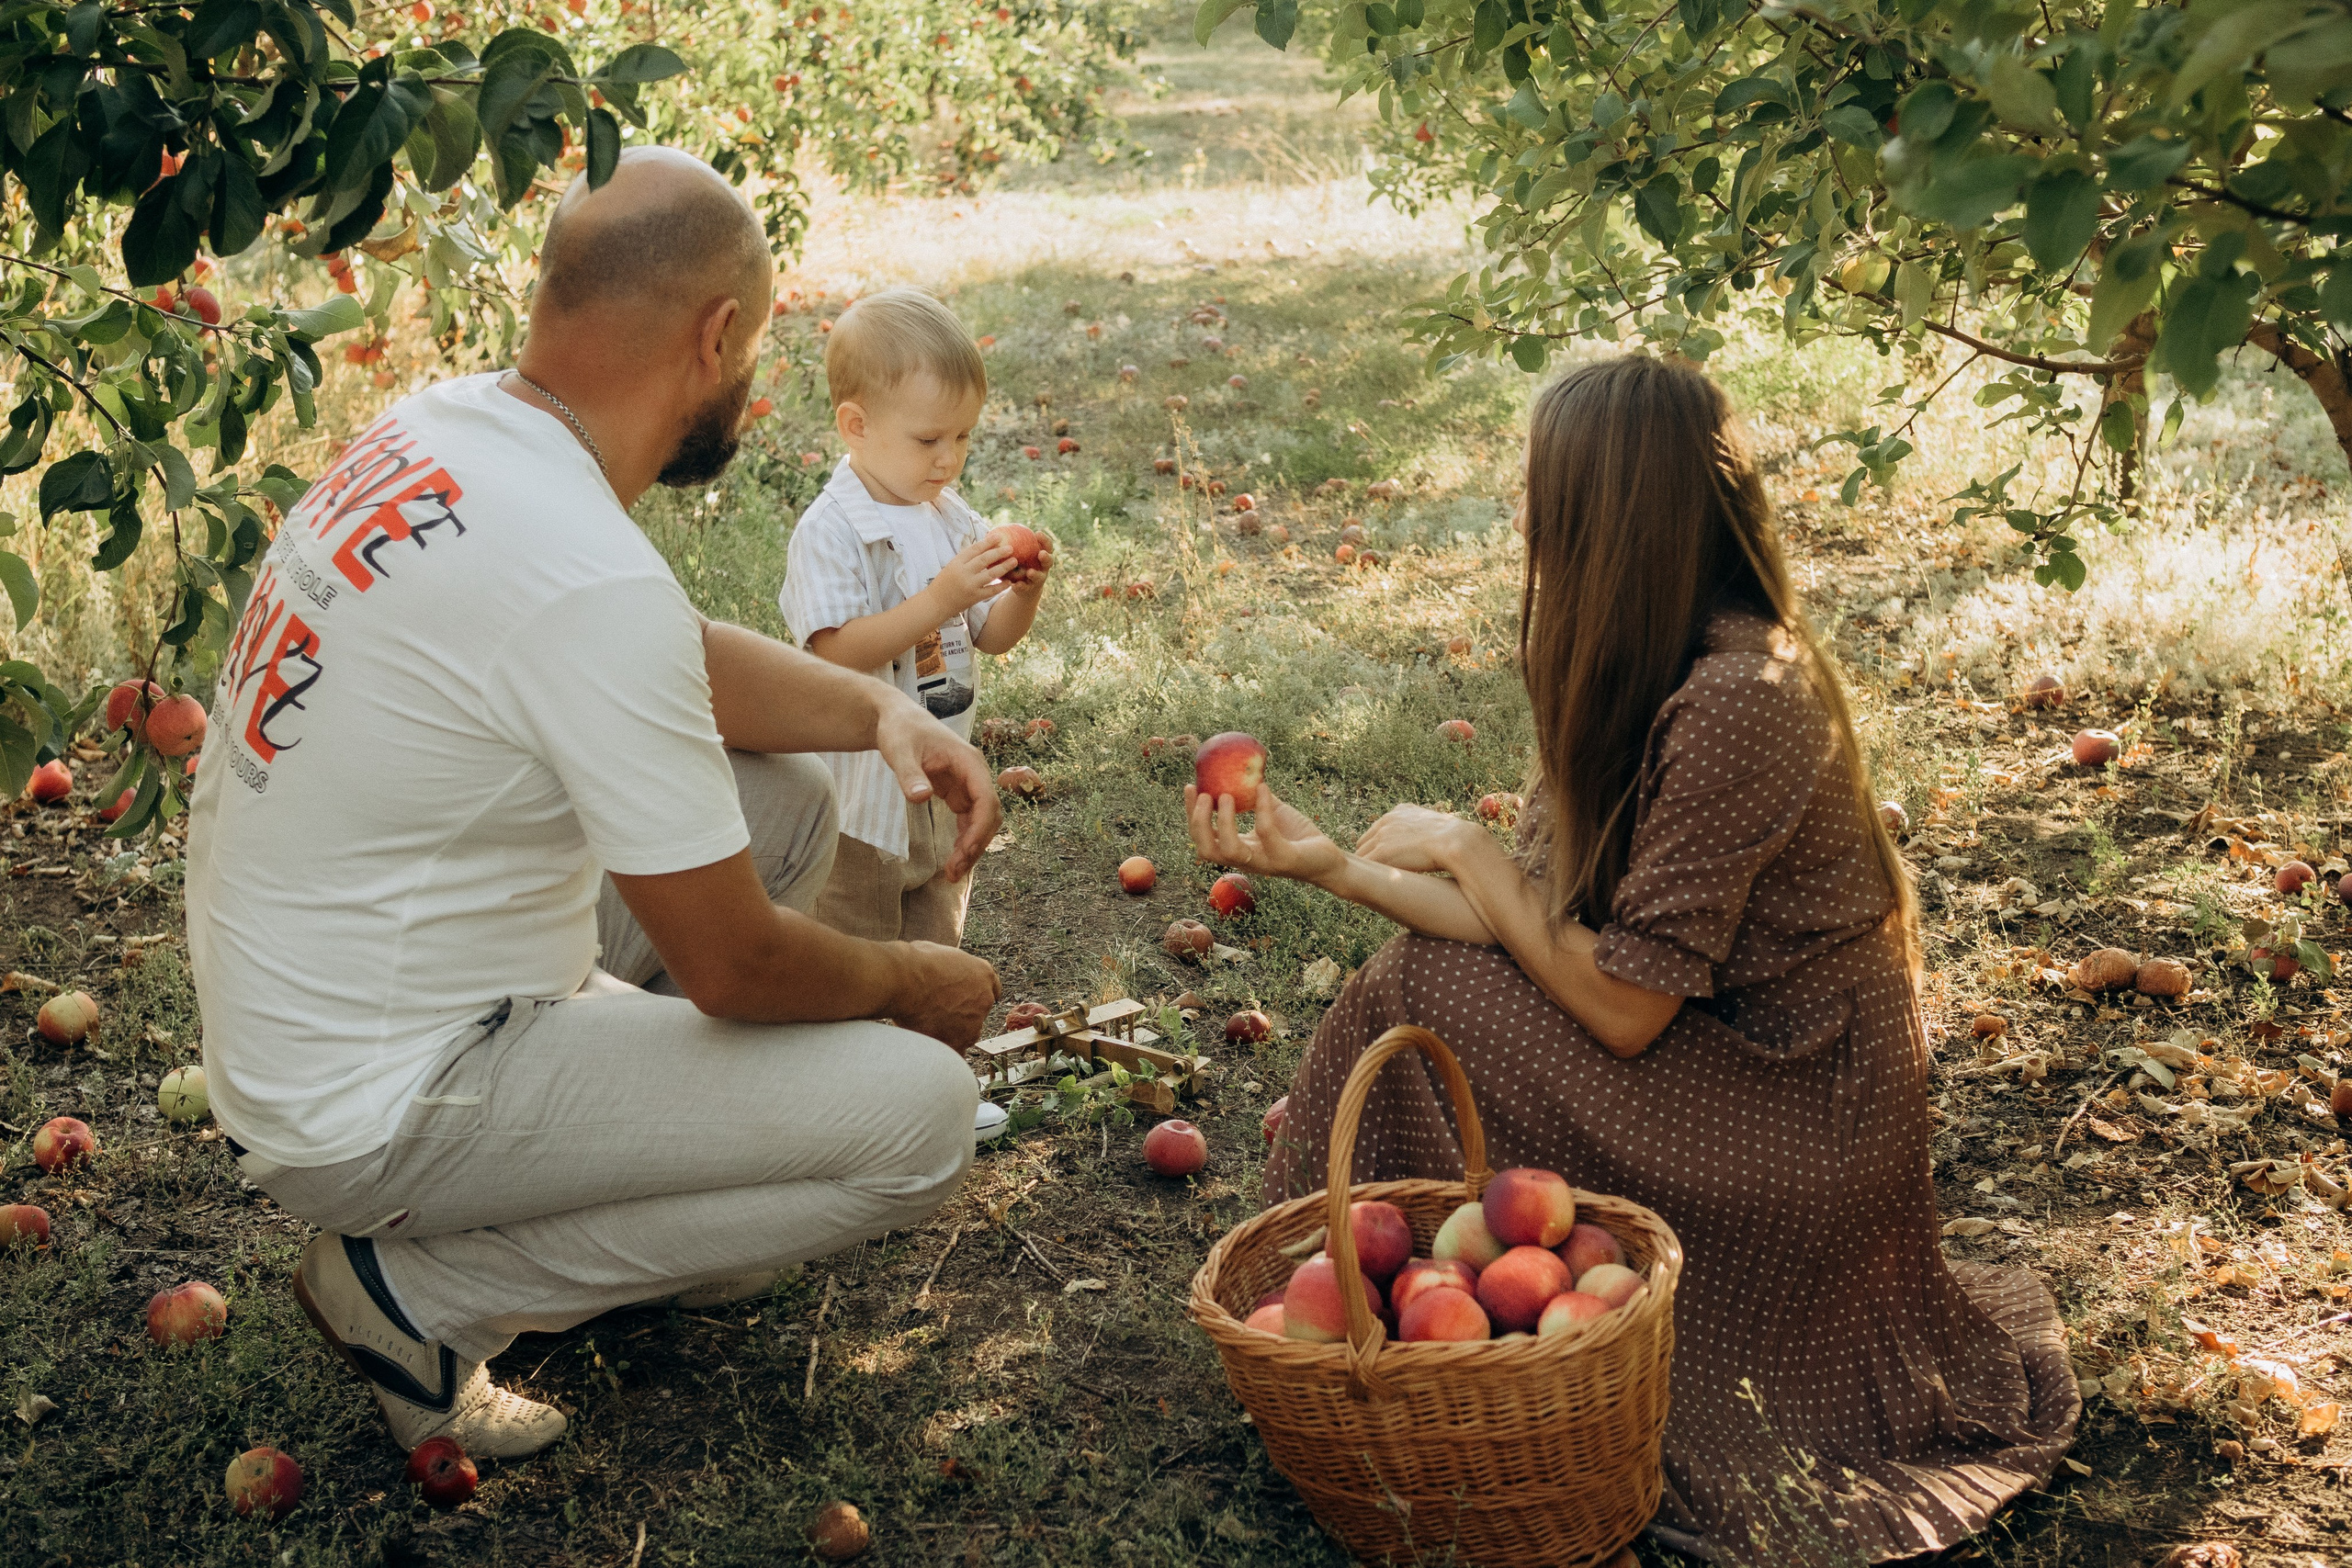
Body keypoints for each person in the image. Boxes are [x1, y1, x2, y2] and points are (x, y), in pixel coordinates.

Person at [1184, 357, 2080, 1563]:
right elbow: (1548, 923)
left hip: (1792, 1096)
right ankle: (1391, 1337)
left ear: (1608, 516)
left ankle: (1392, 1336)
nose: (1525, 520)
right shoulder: (1636, 653)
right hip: (1707, 1038)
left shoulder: (1744, 696)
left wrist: (1462, 845)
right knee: (1414, 974)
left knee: (1424, 992)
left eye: (1543, 494)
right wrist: (1338, 865)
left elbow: (1619, 1006)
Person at [185, 148, 1001, 1461]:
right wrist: (919, 980)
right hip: (377, 1096)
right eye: (755, 350)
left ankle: (606, 1188)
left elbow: (659, 647)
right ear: (718, 334)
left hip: (313, 1015)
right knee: (920, 1118)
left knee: (781, 803)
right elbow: (734, 962)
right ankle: (418, 1294)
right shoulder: (581, 569)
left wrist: (877, 710)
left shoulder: (445, 425)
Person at [781, 286, 1053, 953]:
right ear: (857, 426)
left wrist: (1024, 593)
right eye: (929, 438)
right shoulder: (832, 531)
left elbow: (991, 638)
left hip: (943, 786)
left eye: (962, 435)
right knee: (852, 950)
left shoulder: (952, 517)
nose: (949, 458)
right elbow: (835, 652)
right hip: (859, 803)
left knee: (935, 950)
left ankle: (922, 1048)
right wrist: (940, 600)